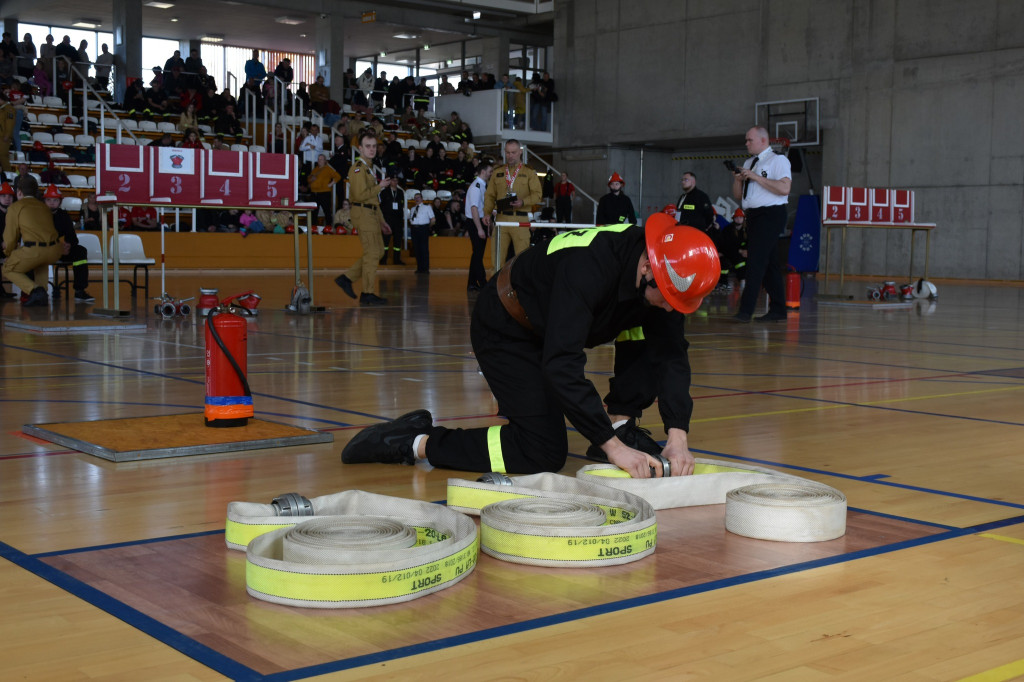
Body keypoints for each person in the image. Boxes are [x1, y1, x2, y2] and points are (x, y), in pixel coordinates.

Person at [341, 214, 721, 478]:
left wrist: (678, 436)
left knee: (652, 330)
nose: (674, 308)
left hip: (552, 323)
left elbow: (672, 354)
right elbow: (562, 364)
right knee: (542, 451)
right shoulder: (588, 268)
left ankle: (620, 424)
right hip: (508, 326)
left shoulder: (663, 272)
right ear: (647, 269)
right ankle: (413, 442)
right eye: (669, 298)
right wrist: (612, 449)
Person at [730, 126, 791, 322]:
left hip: (770, 214)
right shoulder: (750, 162)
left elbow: (784, 188)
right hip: (754, 216)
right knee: (771, 263)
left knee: (755, 261)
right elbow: (739, 196)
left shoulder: (778, 160)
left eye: (750, 140)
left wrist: (755, 177)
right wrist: (738, 180)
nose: (746, 143)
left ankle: (746, 311)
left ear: (763, 141)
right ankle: (779, 309)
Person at [334, 130, 391, 306]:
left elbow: (373, 200)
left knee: (378, 252)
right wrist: (379, 187)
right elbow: (359, 195)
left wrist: (382, 221)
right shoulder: (358, 168)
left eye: (374, 146)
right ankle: (367, 293)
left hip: (371, 212)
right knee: (373, 253)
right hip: (362, 212)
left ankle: (347, 278)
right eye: (368, 146)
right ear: (360, 148)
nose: (372, 149)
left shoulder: (368, 168)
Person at [2, 176, 62, 307]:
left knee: (7, 269)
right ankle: (42, 294)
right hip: (55, 250)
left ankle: (35, 290)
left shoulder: (15, 207)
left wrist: (8, 254)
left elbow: (10, 238)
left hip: (34, 251)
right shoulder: (44, 207)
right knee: (41, 263)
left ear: (19, 192)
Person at [484, 139, 541, 267]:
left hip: (520, 220)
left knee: (522, 260)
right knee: (496, 261)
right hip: (501, 219)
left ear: (520, 152)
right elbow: (489, 195)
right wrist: (487, 213)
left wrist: (523, 202)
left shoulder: (528, 172)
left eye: (513, 152)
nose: (510, 156)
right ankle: (497, 287)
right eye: (508, 152)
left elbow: (538, 195)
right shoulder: (497, 172)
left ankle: (521, 287)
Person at [43, 185, 93, 303]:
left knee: (80, 251)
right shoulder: (38, 215)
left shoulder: (63, 215)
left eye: (55, 200)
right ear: (44, 201)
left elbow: (72, 236)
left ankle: (79, 290)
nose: (52, 203)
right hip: (43, 250)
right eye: (49, 200)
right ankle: (37, 291)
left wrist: (68, 244)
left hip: (61, 250)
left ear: (60, 201)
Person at [464, 159, 492, 291]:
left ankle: (472, 282)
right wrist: (480, 228)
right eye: (489, 171)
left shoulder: (482, 186)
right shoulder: (476, 187)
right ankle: (482, 281)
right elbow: (474, 208)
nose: (491, 173)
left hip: (479, 221)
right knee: (478, 254)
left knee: (477, 254)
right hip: (476, 222)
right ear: (483, 172)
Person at [378, 174, 405, 265]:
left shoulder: (401, 193)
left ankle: (397, 260)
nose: (395, 182)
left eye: (397, 180)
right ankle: (383, 259)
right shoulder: (384, 192)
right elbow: (381, 206)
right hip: (387, 219)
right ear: (390, 182)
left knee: (397, 241)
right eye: (393, 180)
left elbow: (402, 206)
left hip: (398, 220)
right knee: (385, 240)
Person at [308, 154, 340, 226]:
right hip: (314, 193)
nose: (319, 161)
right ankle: (313, 229)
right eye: (319, 159)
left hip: (324, 193)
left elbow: (338, 176)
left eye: (321, 159)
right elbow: (309, 179)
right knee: (313, 213)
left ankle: (329, 228)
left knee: (327, 212)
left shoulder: (328, 169)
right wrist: (311, 180)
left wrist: (331, 184)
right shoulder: (315, 169)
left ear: (325, 161)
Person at [407, 192, 435, 273]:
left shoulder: (427, 207)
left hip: (423, 228)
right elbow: (411, 220)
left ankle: (425, 268)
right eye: (415, 197)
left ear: (422, 199)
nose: (416, 199)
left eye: (418, 197)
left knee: (424, 249)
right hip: (414, 229)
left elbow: (433, 219)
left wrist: (427, 227)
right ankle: (419, 268)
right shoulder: (412, 209)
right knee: (416, 249)